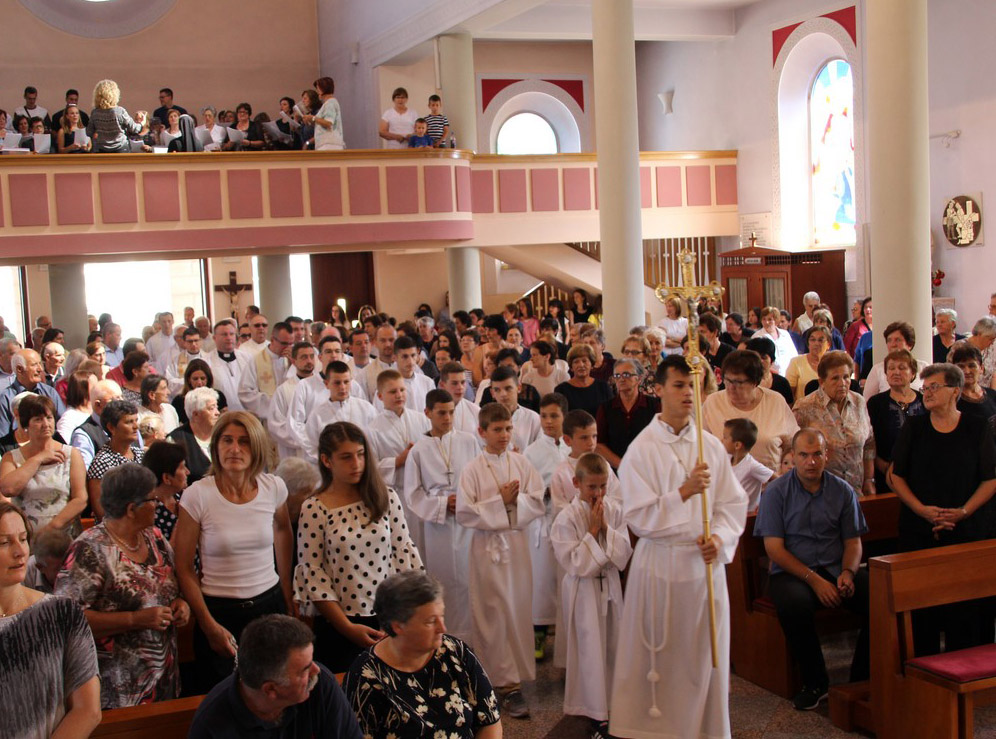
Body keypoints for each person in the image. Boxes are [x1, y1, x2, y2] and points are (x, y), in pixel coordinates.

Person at [609, 355, 747, 738]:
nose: (688, 393)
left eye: (693, 386)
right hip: (661, 566)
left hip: (704, 567)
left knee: (703, 658)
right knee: (665, 661)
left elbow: (731, 504)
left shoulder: (710, 446)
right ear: (658, 389)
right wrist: (683, 492)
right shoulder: (642, 449)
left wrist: (720, 538)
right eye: (679, 385)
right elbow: (637, 515)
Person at [173, 411, 296, 692]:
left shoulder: (273, 487)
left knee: (273, 691)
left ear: (257, 447)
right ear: (216, 446)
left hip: (268, 605)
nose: (235, 449)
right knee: (224, 694)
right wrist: (208, 624)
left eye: (244, 441)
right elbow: (184, 567)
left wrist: (286, 589)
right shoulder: (198, 495)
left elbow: (282, 531)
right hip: (219, 610)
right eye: (227, 440)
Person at [754, 429, 870, 711]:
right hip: (792, 571)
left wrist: (848, 573)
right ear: (793, 457)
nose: (811, 461)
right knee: (795, 605)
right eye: (804, 455)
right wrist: (815, 581)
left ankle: (861, 678)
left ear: (826, 455)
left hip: (835, 566)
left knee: (880, 599)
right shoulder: (776, 492)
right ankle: (815, 682)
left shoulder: (842, 490)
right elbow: (774, 549)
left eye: (817, 454)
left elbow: (853, 542)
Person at [56, 463, 190, 708]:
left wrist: (180, 603)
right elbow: (68, 619)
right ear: (131, 509)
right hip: (117, 690)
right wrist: (135, 619)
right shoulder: (90, 549)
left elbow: (174, 584)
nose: (157, 505)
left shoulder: (154, 537)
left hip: (163, 680)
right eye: (152, 500)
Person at [294, 422, 422, 672]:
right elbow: (314, 575)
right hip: (340, 622)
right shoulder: (314, 507)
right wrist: (347, 628)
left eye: (361, 454)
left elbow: (403, 557)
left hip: (390, 616)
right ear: (327, 461)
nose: (356, 464)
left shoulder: (385, 496)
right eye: (346, 457)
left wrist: (398, 616)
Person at [890, 363, 996, 654]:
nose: (927, 392)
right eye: (925, 388)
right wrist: (922, 510)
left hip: (967, 529)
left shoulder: (977, 427)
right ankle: (921, 669)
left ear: (955, 391)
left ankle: (968, 666)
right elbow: (896, 476)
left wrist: (963, 512)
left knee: (966, 613)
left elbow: (991, 479)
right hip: (919, 529)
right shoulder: (915, 427)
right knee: (922, 612)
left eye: (935, 387)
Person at [456, 402, 545, 719]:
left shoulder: (521, 463)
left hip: (516, 546)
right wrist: (500, 502)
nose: (504, 435)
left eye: (508, 428)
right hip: (487, 549)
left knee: (516, 608)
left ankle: (515, 676)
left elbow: (538, 500)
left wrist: (516, 502)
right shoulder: (472, 469)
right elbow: (465, 512)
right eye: (497, 429)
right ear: (482, 432)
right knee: (492, 612)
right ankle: (503, 684)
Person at [344, 571, 502, 739]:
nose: (442, 628)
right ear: (398, 626)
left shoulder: (455, 651)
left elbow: (490, 721)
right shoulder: (366, 677)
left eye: (442, 616)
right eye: (431, 621)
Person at [0, 502, 101, 739]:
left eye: (23, 539)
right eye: (4, 542)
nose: (20, 551)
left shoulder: (62, 612)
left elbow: (88, 710)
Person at [551, 453, 632, 738]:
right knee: (589, 649)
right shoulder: (566, 517)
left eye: (603, 486)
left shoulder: (615, 510)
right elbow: (574, 561)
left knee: (612, 644)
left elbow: (624, 554)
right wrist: (593, 531)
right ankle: (595, 713)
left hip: (610, 587)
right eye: (591, 487)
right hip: (583, 592)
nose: (598, 493)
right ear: (577, 483)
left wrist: (606, 528)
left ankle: (615, 705)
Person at [189, 613, 363, 739]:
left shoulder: (322, 685)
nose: (316, 670)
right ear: (271, 689)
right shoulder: (210, 727)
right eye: (305, 669)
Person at [403, 389, 480, 644]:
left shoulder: (468, 441)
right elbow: (413, 494)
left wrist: (465, 500)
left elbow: (479, 478)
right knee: (443, 580)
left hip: (467, 522)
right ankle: (445, 638)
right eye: (441, 413)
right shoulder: (418, 451)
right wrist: (443, 503)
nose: (448, 418)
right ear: (428, 413)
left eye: (451, 413)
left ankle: (472, 640)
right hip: (437, 526)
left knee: (469, 581)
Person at [522, 392, 571, 660]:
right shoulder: (532, 452)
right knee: (541, 582)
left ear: (565, 416)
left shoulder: (572, 447)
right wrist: (546, 492)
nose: (548, 421)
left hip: (570, 523)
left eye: (554, 416)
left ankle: (567, 635)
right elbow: (526, 489)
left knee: (566, 581)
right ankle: (538, 634)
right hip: (543, 522)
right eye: (544, 416)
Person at [0, 394, 86, 535]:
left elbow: (81, 499)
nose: (46, 424)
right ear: (26, 424)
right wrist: (38, 459)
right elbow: (8, 489)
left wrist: (52, 527)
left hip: (63, 535)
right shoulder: (11, 457)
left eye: (49, 418)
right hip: (27, 536)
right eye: (38, 419)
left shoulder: (72, 454)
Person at [793, 351, 876, 495]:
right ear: (822, 382)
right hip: (819, 492)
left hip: (855, 490)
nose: (842, 383)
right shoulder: (804, 407)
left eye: (846, 377)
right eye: (835, 378)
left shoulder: (859, 402)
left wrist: (869, 479)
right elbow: (792, 450)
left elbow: (869, 443)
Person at [702, 350, 798, 471]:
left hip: (771, 479)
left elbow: (792, 444)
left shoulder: (776, 401)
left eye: (738, 382)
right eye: (728, 380)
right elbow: (702, 444)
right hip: (726, 477)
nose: (731, 387)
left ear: (754, 382)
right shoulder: (713, 402)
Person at [866, 349, 926, 492]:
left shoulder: (924, 401)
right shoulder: (875, 403)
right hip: (885, 473)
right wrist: (882, 466)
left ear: (913, 373)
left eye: (902, 368)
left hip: (921, 473)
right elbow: (868, 441)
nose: (896, 372)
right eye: (891, 368)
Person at [594, 357, 660, 468]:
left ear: (639, 379)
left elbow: (661, 440)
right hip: (616, 470)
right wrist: (624, 466)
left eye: (626, 375)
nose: (621, 379)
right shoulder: (606, 408)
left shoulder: (654, 405)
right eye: (617, 376)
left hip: (648, 467)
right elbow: (599, 445)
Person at [86, 399, 145, 519]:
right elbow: (101, 511)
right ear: (111, 428)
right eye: (129, 422)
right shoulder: (102, 462)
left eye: (136, 420)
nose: (136, 426)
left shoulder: (141, 455)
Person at [0, 349, 66, 438]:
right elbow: (3, 436)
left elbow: (62, 424)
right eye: (34, 365)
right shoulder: (6, 398)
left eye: (40, 364)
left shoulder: (50, 392)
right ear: (19, 369)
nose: (40, 369)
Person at [166, 386, 219, 485]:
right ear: (195, 414)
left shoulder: (222, 436)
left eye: (217, 407)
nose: (217, 413)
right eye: (211, 408)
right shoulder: (175, 440)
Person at [861, 321, 927, 398]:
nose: (893, 344)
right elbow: (867, 401)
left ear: (910, 344)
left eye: (898, 340)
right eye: (889, 340)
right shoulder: (877, 370)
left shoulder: (924, 367)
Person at [722, 417, 774, 512]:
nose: (721, 440)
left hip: (746, 515)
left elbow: (777, 479)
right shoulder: (727, 459)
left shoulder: (752, 466)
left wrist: (767, 502)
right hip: (729, 512)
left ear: (737, 445)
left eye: (725, 437)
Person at [142, 440, 190, 542]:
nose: (188, 472)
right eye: (182, 467)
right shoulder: (148, 513)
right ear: (167, 478)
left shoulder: (184, 498)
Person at [87, 79, 148, 153]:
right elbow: (135, 129)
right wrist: (142, 123)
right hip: (121, 148)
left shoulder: (95, 113)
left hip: (102, 149)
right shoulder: (120, 111)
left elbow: (89, 132)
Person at [555, 344, 613, 416]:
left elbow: (611, 414)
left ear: (592, 365)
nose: (581, 365)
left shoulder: (603, 387)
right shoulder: (561, 390)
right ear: (571, 367)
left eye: (584, 361)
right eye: (576, 362)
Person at [171, 357, 228, 426]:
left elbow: (224, 421)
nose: (199, 383)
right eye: (195, 379)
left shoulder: (219, 396)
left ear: (208, 379)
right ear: (189, 380)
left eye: (203, 378)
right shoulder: (179, 401)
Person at [949, 341, 996, 422]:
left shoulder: (993, 395)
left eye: (972, 366)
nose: (967, 371)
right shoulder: (950, 399)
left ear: (981, 368)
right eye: (961, 366)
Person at [785, 325, 831, 401]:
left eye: (820, 340)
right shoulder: (796, 362)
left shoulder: (834, 364)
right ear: (808, 343)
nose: (816, 343)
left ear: (828, 344)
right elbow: (789, 395)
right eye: (812, 340)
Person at [303, 77, 345, 150]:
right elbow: (322, 124)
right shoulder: (327, 104)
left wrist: (313, 118)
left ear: (323, 89)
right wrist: (311, 121)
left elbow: (328, 123)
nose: (317, 92)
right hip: (324, 143)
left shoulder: (330, 103)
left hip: (329, 144)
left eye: (318, 89)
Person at [757, 306, 798, 372]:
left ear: (776, 321)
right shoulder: (757, 337)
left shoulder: (785, 334)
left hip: (789, 373)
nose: (766, 322)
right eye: (764, 319)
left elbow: (793, 354)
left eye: (770, 319)